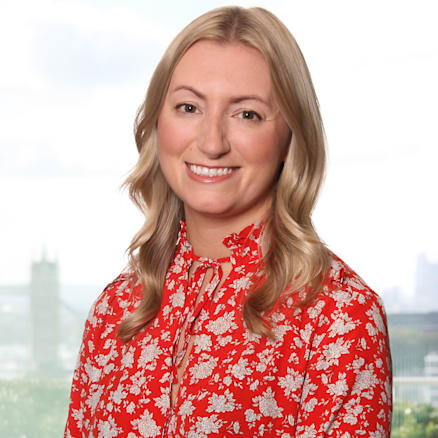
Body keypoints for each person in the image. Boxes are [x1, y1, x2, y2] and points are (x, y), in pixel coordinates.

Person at [64, 6, 392, 437]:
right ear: (157, 123)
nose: (212, 142)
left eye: (247, 114)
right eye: (188, 107)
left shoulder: (339, 318)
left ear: (290, 137)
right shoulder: (117, 311)